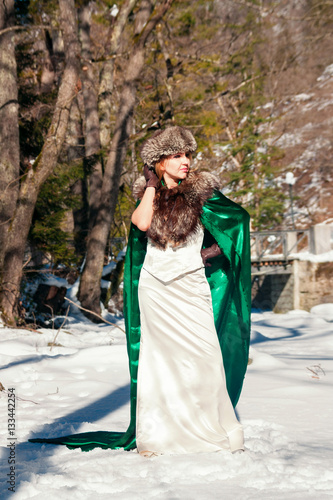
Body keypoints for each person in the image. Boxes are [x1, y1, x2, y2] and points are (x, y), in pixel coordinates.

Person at [29, 126, 251, 454]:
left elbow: (238, 222)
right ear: (159, 162)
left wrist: (207, 255)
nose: (185, 161)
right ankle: (160, 435)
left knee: (205, 357)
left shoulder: (202, 191)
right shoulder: (148, 194)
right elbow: (142, 223)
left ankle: (209, 429)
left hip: (191, 286)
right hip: (156, 289)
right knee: (159, 361)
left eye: (187, 154)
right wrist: (149, 186)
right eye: (176, 156)